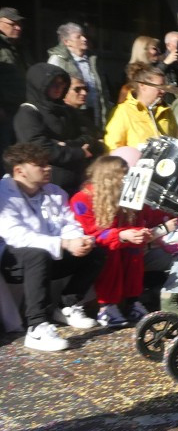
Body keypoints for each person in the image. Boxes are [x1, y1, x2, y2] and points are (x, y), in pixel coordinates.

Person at [0, 143, 104, 350]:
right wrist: (64, 243)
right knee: (36, 254)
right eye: (40, 165)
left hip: (49, 255)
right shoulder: (4, 195)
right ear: (19, 171)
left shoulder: (55, 191)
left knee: (97, 250)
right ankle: (37, 327)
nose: (48, 169)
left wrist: (78, 241)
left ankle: (67, 306)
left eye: (48, 164)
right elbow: (16, 235)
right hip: (12, 259)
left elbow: (68, 223)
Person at [69, 156, 165, 327]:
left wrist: (140, 233)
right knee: (110, 252)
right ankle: (107, 307)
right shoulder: (81, 199)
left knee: (133, 249)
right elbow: (93, 233)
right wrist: (122, 235)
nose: (128, 178)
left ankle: (132, 302)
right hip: (91, 248)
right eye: (124, 174)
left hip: (121, 243)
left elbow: (139, 222)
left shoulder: (127, 196)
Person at [14, 63, 93, 195]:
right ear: (40, 86)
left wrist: (66, 145)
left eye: (62, 84)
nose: (59, 88)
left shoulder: (66, 110)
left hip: (76, 182)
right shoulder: (28, 113)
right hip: (46, 187)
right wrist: (78, 153)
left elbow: (89, 136)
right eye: (54, 84)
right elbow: (40, 148)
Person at [46, 23, 110, 130]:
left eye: (84, 35)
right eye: (78, 37)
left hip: (95, 111)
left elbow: (102, 89)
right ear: (67, 42)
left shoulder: (92, 60)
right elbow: (50, 88)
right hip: (72, 112)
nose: (84, 39)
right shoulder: (58, 60)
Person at [103, 63, 178, 151]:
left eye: (164, 87)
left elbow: (176, 141)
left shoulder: (166, 111)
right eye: (159, 86)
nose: (163, 91)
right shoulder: (124, 111)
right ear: (143, 86)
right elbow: (112, 146)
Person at [0, 7, 28, 153]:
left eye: (20, 24)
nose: (18, 27)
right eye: (13, 23)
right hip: (5, 111)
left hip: (18, 109)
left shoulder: (16, 47)